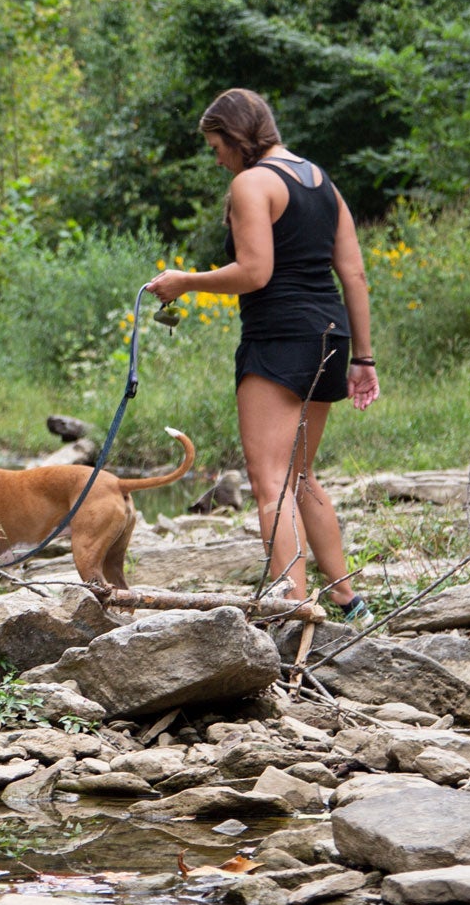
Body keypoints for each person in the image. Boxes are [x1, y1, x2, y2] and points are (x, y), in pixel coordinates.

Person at [144, 88, 379, 622]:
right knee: (300, 475)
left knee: (270, 481)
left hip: (278, 336)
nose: (218, 158)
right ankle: (349, 600)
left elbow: (256, 272)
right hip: (330, 334)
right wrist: (363, 358)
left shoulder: (252, 183)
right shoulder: (323, 182)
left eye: (217, 146)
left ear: (237, 135)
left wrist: (186, 281)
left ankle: (295, 607)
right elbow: (355, 275)